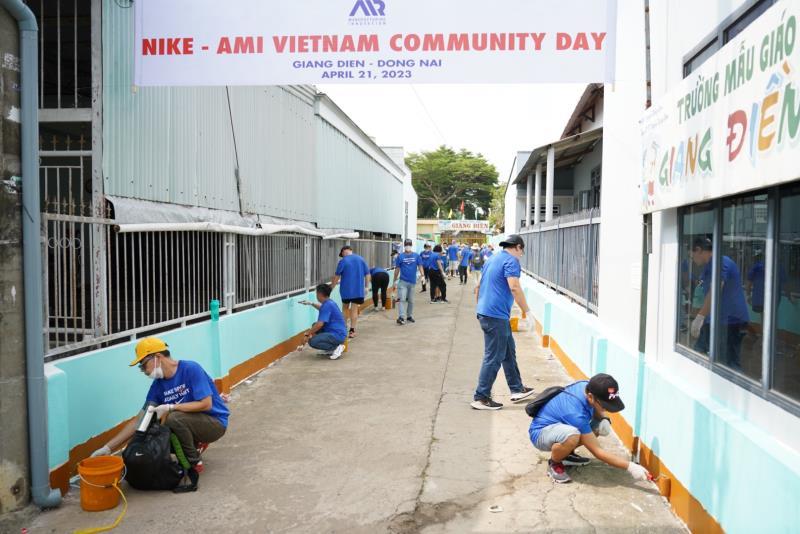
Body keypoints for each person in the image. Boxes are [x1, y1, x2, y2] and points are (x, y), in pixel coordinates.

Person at [91, 337, 230, 492]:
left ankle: (193, 463)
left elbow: (206, 404)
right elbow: (140, 421)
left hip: (214, 423)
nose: (143, 371)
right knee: (153, 437)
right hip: (190, 423)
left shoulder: (190, 369)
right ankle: (195, 443)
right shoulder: (157, 387)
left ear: (157, 357)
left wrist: (171, 407)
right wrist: (108, 448)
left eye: (143, 365)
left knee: (173, 418)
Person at [529, 373, 651, 484]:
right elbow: (598, 452)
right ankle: (555, 462)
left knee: (595, 427)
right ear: (590, 397)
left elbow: (596, 409)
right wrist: (630, 467)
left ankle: (566, 454)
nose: (606, 409)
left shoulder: (587, 385)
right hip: (541, 433)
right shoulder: (575, 414)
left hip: (559, 428)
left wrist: (603, 419)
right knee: (572, 435)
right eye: (604, 405)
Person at [471, 234, 535, 410]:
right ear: (518, 247)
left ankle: (517, 389)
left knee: (508, 352)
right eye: (522, 251)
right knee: (494, 357)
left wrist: (480, 309)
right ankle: (481, 397)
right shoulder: (511, 261)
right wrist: (527, 311)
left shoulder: (493, 259)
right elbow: (514, 286)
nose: (521, 255)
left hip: (490, 314)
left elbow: (479, 286)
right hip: (495, 316)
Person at [689, 237, 749, 368]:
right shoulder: (707, 268)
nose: (692, 259)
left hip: (732, 322)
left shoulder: (721, 262)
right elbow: (704, 291)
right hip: (716, 320)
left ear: (698, 250)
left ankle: (734, 387)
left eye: (692, 255)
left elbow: (715, 290)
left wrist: (700, 317)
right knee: (698, 352)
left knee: (727, 364)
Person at [331, 245, 370, 339]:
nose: (343, 256)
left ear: (344, 251)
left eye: (342, 254)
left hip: (346, 290)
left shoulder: (343, 261)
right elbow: (367, 274)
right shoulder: (361, 259)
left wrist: (331, 287)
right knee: (354, 309)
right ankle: (352, 330)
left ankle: (343, 328)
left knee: (345, 308)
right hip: (358, 290)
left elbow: (337, 276)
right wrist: (367, 287)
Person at [300, 284, 347, 360]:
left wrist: (307, 334)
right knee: (314, 325)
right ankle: (330, 349)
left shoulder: (327, 305)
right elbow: (322, 308)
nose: (316, 295)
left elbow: (320, 324)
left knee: (312, 341)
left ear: (320, 294)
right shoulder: (329, 302)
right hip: (337, 332)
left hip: (337, 334)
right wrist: (311, 303)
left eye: (316, 293)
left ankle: (336, 347)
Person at [393, 239, 425, 325]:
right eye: (406, 244)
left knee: (411, 300)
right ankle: (401, 317)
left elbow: (420, 265)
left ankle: (409, 316)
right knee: (402, 299)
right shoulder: (400, 256)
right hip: (403, 281)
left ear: (411, 245)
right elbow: (397, 269)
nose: (408, 246)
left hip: (412, 282)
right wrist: (394, 280)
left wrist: (423, 276)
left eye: (409, 244)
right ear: (404, 245)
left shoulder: (416, 256)